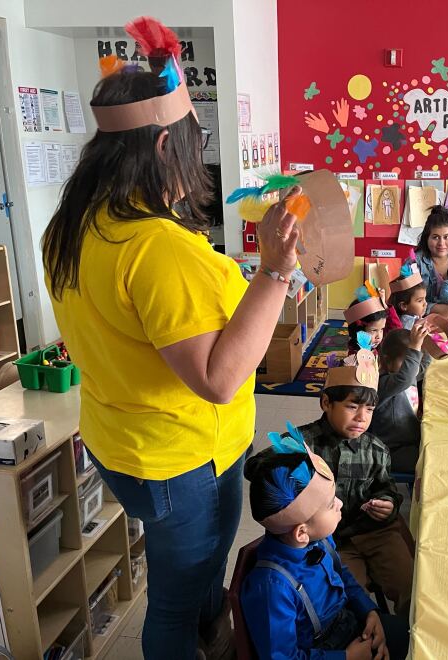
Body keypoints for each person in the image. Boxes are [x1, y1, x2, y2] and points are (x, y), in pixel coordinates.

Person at [42, 23, 303, 659]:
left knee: (192, 583)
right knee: (177, 601)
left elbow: (142, 326)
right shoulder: (158, 248)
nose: (197, 157)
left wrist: (244, 291)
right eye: (193, 144)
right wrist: (272, 272)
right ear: (164, 144)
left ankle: (212, 641)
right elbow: (217, 378)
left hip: (123, 438)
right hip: (180, 455)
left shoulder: (77, 226)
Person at [240, 437, 409, 660]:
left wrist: (369, 611)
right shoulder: (272, 589)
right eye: (331, 504)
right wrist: (346, 657)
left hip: (350, 626)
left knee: (413, 636)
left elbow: (342, 575)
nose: (340, 503)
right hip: (323, 652)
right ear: (301, 531)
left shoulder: (319, 540)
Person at [296, 358, 415, 615]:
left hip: (377, 533)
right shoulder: (301, 444)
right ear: (326, 403)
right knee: (348, 602)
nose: (362, 418)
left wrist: (388, 504)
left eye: (370, 410)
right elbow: (259, 471)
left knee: (413, 589)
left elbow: (388, 488)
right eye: (352, 406)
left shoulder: (376, 449)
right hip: (334, 541)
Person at [371, 326, 432, 473]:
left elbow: (423, 365)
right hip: (390, 450)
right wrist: (415, 346)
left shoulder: (406, 374)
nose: (412, 366)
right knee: (429, 463)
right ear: (387, 360)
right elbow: (406, 377)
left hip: (409, 440)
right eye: (406, 361)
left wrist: (427, 342)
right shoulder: (384, 383)